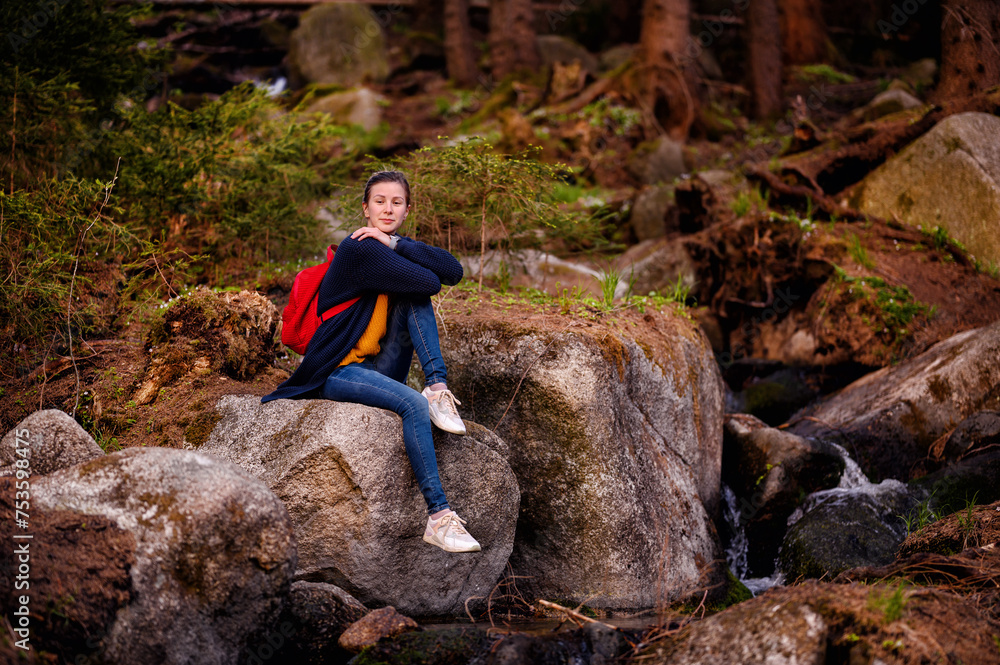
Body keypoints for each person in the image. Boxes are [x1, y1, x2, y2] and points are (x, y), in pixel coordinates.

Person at [262, 170, 481, 553]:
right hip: (337, 371)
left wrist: (396, 242)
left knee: (415, 297)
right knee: (413, 404)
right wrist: (393, 245)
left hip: (374, 367)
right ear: (365, 208)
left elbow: (454, 272)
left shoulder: (386, 245)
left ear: (406, 210)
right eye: (379, 201)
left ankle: (438, 386)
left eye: (396, 202)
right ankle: (439, 518)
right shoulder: (358, 248)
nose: (387, 208)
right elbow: (432, 280)